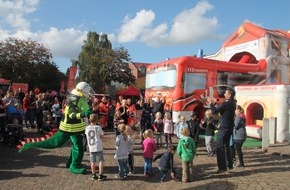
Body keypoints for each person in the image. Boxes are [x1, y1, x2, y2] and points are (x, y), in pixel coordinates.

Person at [19, 82, 94, 174]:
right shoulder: (74, 99)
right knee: (69, 145)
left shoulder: (78, 98)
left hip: (75, 127)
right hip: (70, 127)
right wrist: (83, 114)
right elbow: (71, 114)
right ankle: (74, 165)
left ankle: (71, 162)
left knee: (76, 145)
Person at [209, 89, 236, 173]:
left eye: (226, 93)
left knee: (220, 147)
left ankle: (222, 167)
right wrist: (217, 105)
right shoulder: (233, 103)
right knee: (227, 146)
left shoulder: (227, 103)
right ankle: (229, 164)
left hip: (224, 128)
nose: (224, 94)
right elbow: (222, 110)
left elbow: (214, 111)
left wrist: (210, 103)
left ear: (230, 95)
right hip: (229, 127)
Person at [85, 113, 107, 181]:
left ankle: (93, 174)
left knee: (92, 161)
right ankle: (100, 174)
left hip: (91, 147)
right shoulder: (98, 127)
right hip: (98, 146)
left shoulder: (87, 128)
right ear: (97, 120)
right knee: (100, 161)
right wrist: (103, 134)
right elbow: (101, 136)